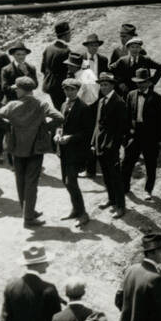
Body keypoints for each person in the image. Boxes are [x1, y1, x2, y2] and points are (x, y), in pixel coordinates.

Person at [0, 77, 62, 228]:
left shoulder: (12, 105)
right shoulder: (40, 104)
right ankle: (28, 217)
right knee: (31, 183)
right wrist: (44, 128)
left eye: (17, 88)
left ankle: (27, 211)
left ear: (23, 90)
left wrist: (8, 127)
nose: (15, 90)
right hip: (35, 148)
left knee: (20, 181)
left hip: (17, 148)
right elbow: (59, 117)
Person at [121, 69, 161, 199]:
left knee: (150, 165)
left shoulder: (156, 98)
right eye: (138, 83)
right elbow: (126, 115)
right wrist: (126, 135)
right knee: (127, 163)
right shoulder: (131, 95)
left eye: (143, 82)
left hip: (151, 136)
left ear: (148, 83)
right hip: (134, 134)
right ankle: (124, 187)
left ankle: (148, 190)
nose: (140, 85)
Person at [55, 78, 92, 226]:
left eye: (72, 89)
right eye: (66, 89)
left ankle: (83, 213)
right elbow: (60, 124)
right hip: (64, 149)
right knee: (66, 181)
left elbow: (87, 132)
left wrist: (70, 137)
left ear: (78, 91)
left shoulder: (83, 108)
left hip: (76, 151)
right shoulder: (64, 104)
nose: (69, 92)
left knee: (71, 181)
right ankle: (75, 209)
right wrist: (58, 133)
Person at [92, 71, 129, 217]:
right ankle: (111, 199)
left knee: (115, 177)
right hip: (100, 145)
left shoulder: (119, 102)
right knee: (106, 176)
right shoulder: (101, 101)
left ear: (112, 86)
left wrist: (113, 145)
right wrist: (94, 142)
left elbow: (122, 128)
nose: (103, 87)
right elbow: (97, 124)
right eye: (101, 85)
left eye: (106, 85)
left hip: (111, 146)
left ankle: (120, 206)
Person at [40, 20, 72, 109]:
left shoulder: (48, 48)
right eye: (70, 33)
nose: (70, 35)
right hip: (61, 88)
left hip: (49, 86)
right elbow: (69, 73)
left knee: (58, 108)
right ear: (66, 35)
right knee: (64, 111)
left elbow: (42, 69)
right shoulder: (66, 51)